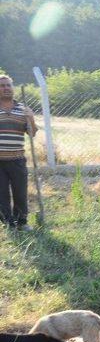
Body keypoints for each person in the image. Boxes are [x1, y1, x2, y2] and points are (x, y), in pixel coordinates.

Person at [0, 75, 37, 231]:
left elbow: (32, 133)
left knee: (20, 192)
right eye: (2, 86)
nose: (6, 88)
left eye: (8, 85)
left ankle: (21, 222)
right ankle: (7, 223)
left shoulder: (23, 109)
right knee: (1, 194)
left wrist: (31, 118)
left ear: (12, 87)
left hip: (17, 159)